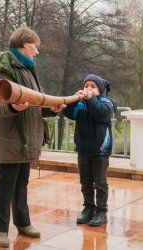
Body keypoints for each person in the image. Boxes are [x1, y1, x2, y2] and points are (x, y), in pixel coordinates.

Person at [0, 26, 65, 248]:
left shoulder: (27, 69)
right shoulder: (2, 69)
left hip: (25, 138)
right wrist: (14, 109)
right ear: (23, 44)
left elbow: (34, 103)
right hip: (8, 139)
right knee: (5, 185)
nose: (37, 52)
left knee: (21, 183)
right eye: (34, 46)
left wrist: (51, 109)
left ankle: (23, 223)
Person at [63, 74, 117, 227]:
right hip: (83, 149)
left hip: (100, 150)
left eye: (93, 86)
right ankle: (88, 208)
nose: (88, 89)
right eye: (86, 86)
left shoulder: (106, 102)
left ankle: (101, 211)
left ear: (99, 89)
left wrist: (91, 98)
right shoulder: (82, 103)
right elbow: (68, 112)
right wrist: (74, 98)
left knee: (100, 183)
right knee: (85, 182)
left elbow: (101, 114)